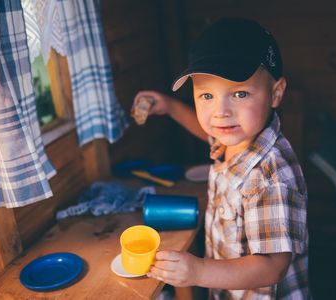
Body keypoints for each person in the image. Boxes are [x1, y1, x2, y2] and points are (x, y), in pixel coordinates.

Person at [132, 18, 310, 299]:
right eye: (206, 95)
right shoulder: (238, 137)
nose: (220, 112)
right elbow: (209, 133)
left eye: (239, 93)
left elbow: (272, 267)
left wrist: (197, 272)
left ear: (276, 93)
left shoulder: (271, 176)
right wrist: (169, 106)